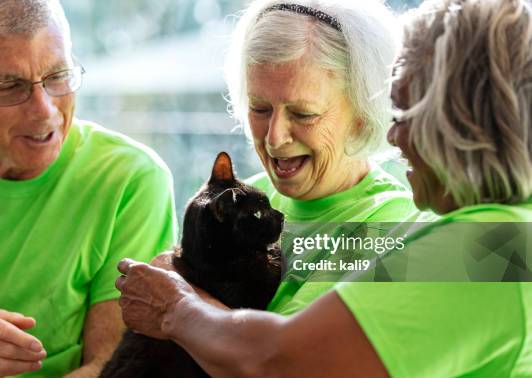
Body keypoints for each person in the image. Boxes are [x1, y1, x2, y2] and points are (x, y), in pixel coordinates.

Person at [116, 0, 532, 376]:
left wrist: (175, 307)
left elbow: (281, 363)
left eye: (403, 111)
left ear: (458, 123)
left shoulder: (496, 247)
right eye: (259, 108)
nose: (391, 136)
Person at [0, 0, 177, 377]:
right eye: (9, 86)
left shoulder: (128, 179)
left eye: (58, 76)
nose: (45, 111)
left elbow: (109, 367)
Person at [224, 0, 424, 316]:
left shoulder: (394, 222)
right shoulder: (246, 196)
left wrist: (177, 301)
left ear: (364, 114)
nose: (275, 137)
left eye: (304, 114)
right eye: (260, 109)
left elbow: (275, 357)